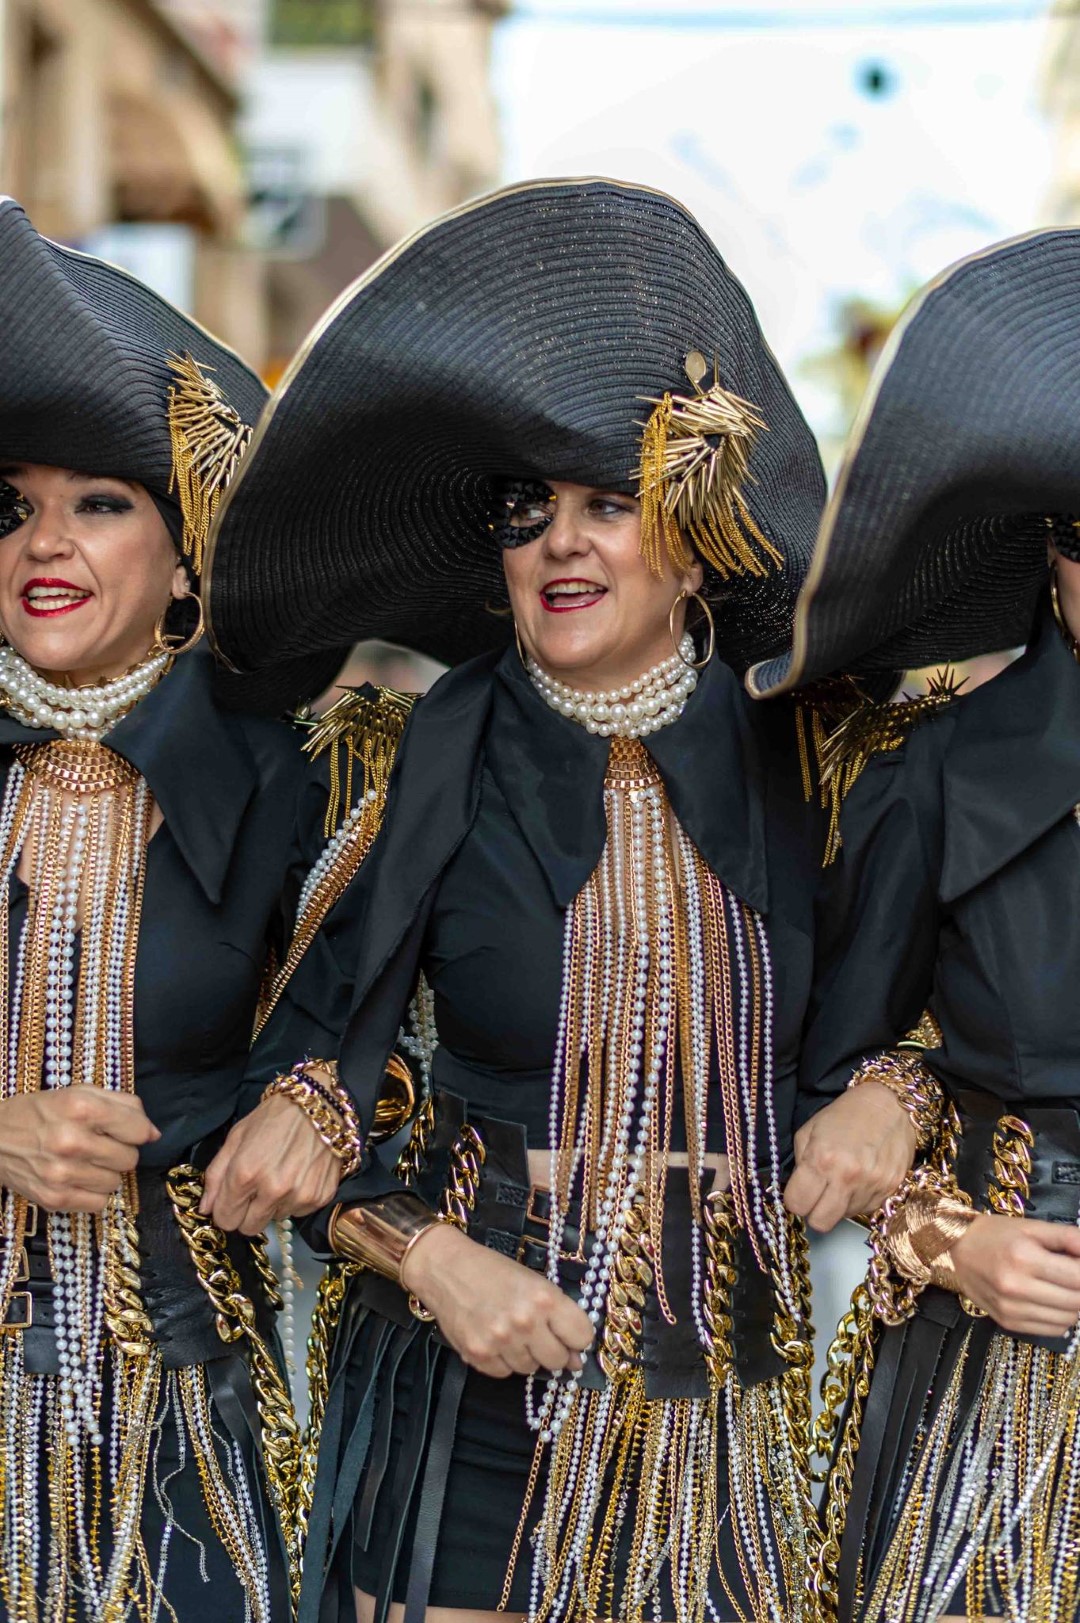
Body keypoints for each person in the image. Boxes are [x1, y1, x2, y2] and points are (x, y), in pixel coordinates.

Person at [205, 178, 917, 1623]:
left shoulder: (824, 767)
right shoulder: (410, 767)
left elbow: (952, 1022)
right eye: (530, 513)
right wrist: (432, 1259)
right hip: (470, 1373)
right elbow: (297, 1093)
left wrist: (892, 1092)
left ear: (696, 536)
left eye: (610, 504)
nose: (561, 543)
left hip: (726, 1390)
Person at [0, 200, 356, 1622]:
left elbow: (382, 1037)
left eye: (99, 503)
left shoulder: (300, 780)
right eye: (11, 506)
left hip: (190, 1410)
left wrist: (319, 1105)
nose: (46, 541)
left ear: (187, 549)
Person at [748, 228, 1080, 1622]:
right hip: (1000, 1382)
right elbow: (814, 1085)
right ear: (1054, 557)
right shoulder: (932, 770)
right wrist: (951, 1240)